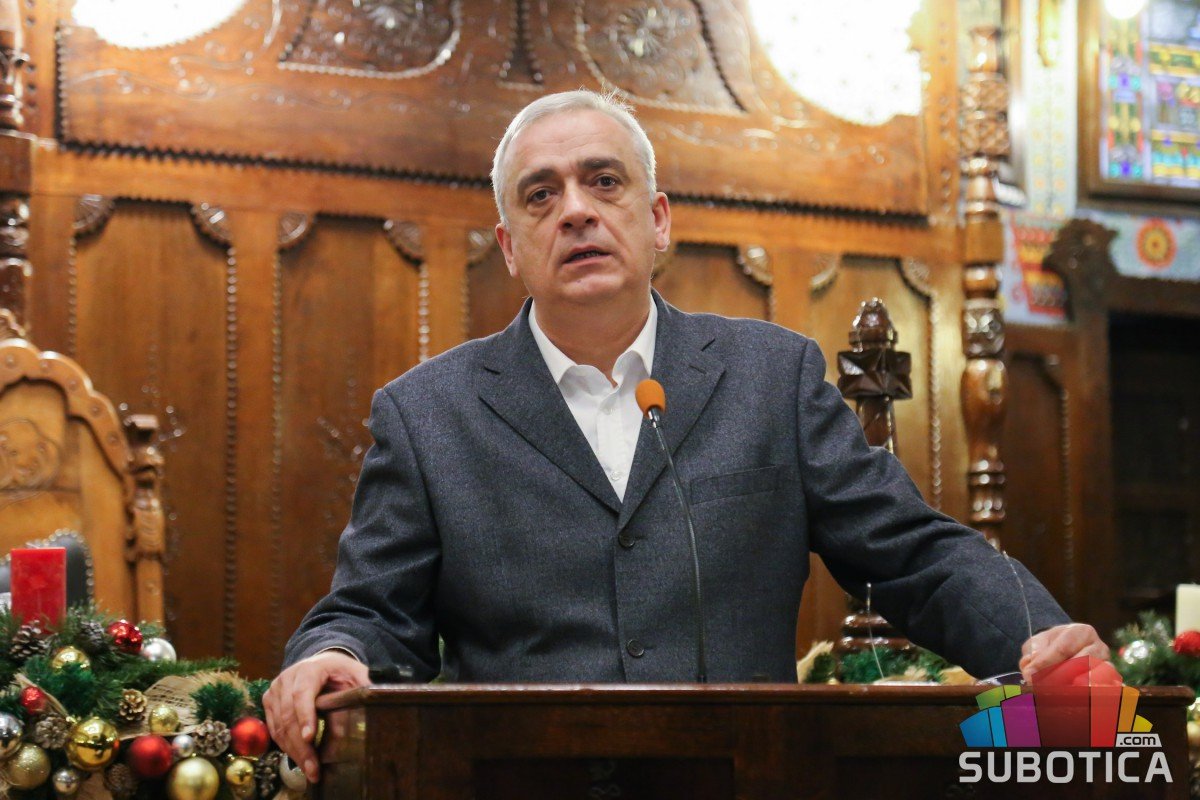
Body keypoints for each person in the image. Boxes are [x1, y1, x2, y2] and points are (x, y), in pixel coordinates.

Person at [263, 90, 1107, 782]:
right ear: (510, 248)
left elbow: (914, 553)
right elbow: (371, 610)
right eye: (541, 195)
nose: (576, 211)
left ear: (658, 219)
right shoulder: (428, 414)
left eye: (604, 182)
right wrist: (331, 654)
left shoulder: (769, 377)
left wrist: (1038, 639)